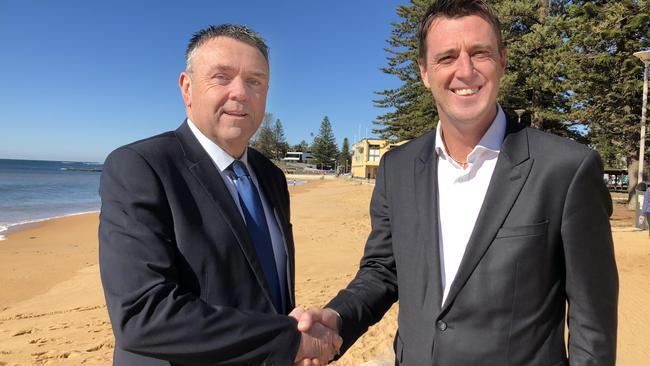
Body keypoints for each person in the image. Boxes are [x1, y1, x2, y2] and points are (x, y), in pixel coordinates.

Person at [296, 1, 618, 365]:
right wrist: (337, 318)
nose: (465, 71)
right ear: (424, 71)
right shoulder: (396, 168)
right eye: (446, 58)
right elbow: (382, 271)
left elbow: (592, 322)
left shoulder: (566, 168)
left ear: (502, 60)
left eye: (480, 53)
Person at [99, 24, 340, 365]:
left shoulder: (271, 176)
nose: (240, 92)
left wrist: (289, 346)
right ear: (187, 88)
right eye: (222, 77)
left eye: (255, 81)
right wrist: (288, 340)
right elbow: (142, 315)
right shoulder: (141, 167)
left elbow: (271, 292)